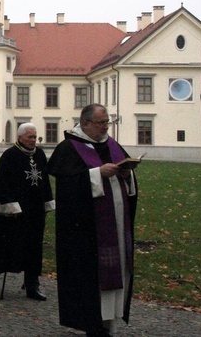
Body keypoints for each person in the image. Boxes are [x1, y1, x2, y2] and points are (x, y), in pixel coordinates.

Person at [47, 104, 138, 336]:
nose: (106, 126)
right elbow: (67, 187)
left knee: (117, 270)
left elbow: (128, 183)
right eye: (101, 123)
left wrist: (127, 174)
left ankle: (110, 320)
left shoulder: (112, 144)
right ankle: (93, 323)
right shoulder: (69, 148)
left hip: (115, 225)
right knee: (92, 277)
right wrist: (97, 174)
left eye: (107, 122)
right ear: (85, 123)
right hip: (87, 232)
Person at [0, 123, 55, 300]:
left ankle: (32, 285)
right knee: (11, 246)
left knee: (34, 247)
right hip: (17, 209)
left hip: (36, 208)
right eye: (30, 137)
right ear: (20, 137)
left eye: (35, 137)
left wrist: (47, 201)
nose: (33, 140)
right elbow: (1, 182)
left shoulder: (39, 154)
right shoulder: (10, 155)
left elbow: (44, 179)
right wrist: (10, 205)